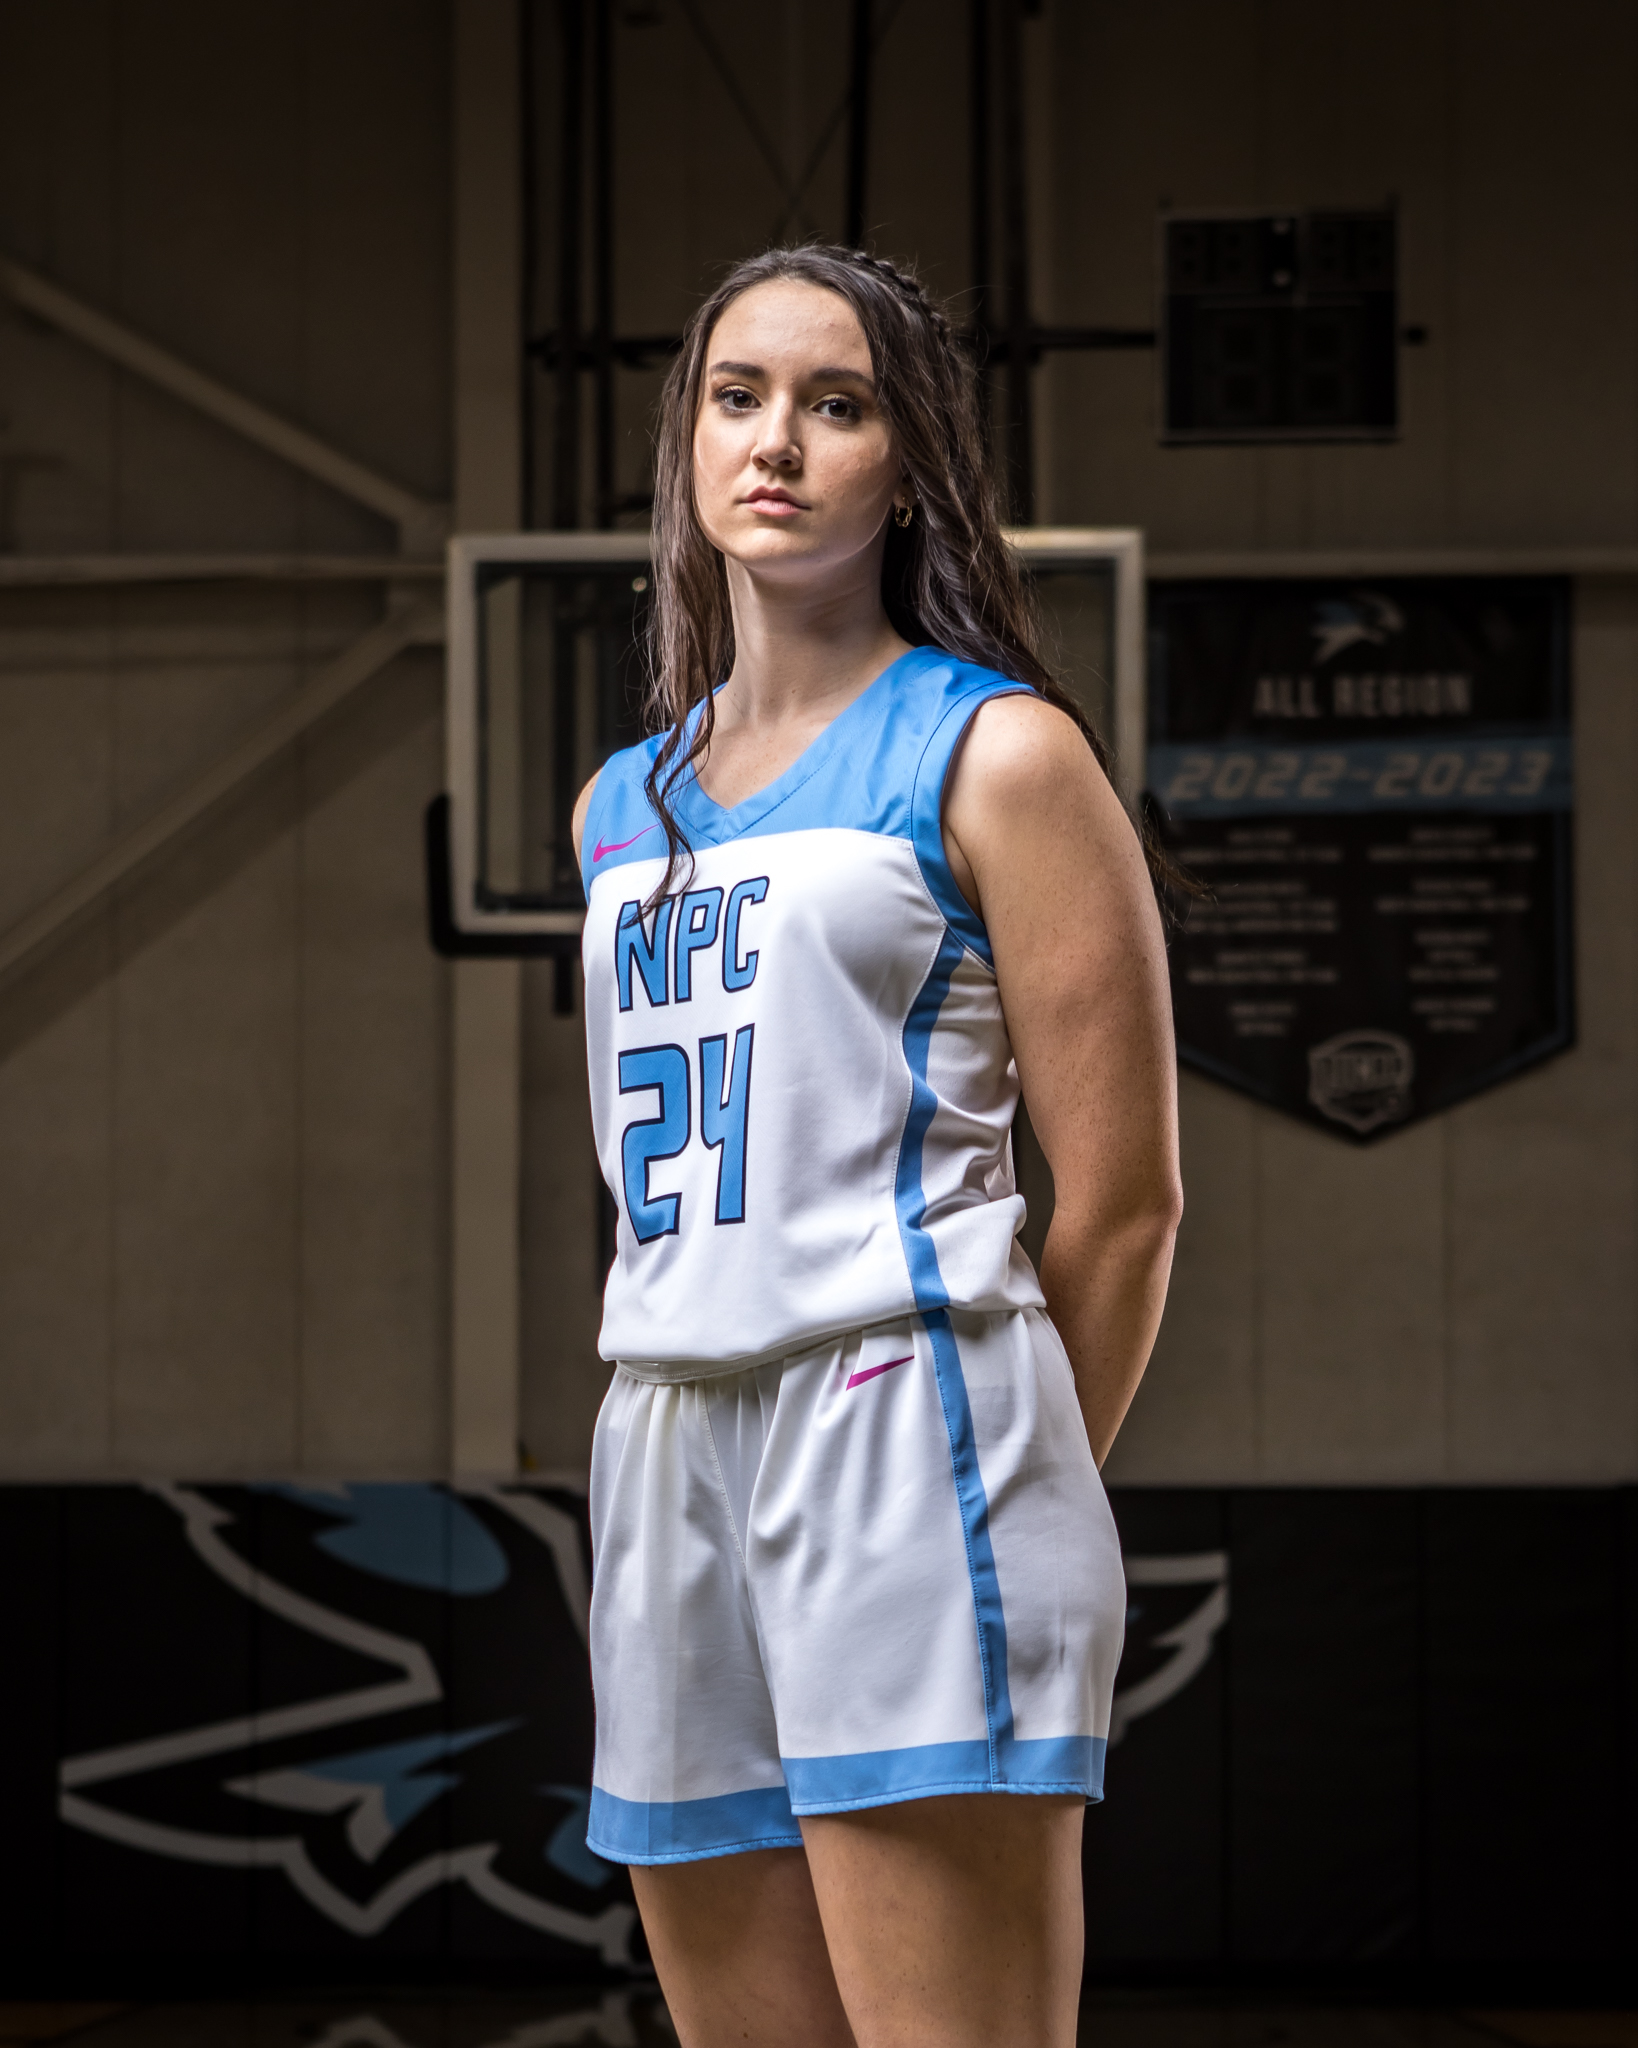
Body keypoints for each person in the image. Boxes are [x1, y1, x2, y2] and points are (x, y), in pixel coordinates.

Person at [570, 244, 1182, 2048]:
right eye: (735, 396)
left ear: (905, 463)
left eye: (836, 405)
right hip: (665, 1432)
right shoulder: (626, 805)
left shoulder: (994, 752)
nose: (777, 440)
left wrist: (996, 1470)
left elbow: (1127, 1204)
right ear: (684, 440)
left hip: (900, 1419)